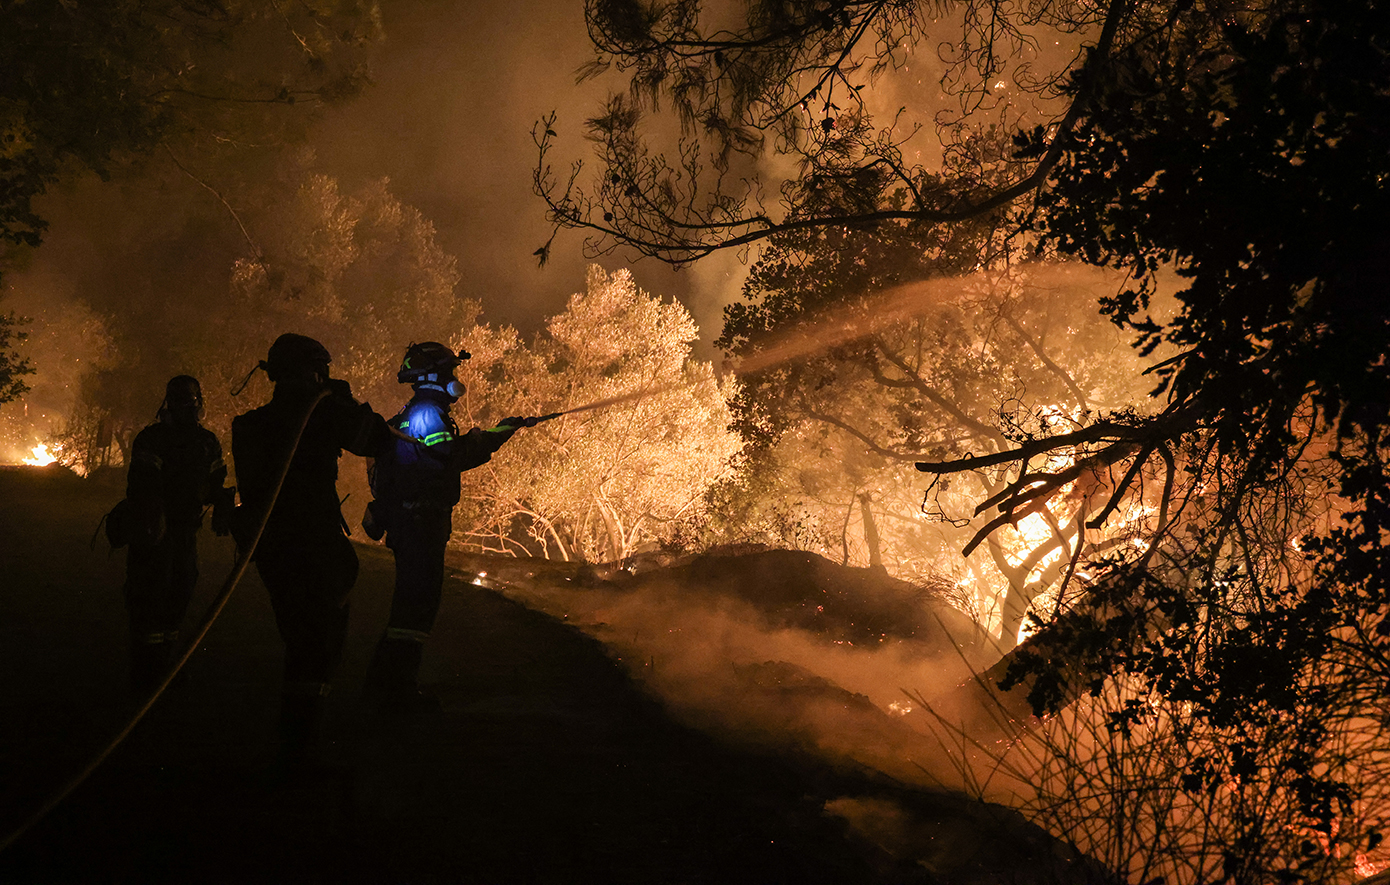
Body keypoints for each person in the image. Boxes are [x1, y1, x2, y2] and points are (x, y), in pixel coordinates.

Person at [231, 333, 392, 774]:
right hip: (311, 541)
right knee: (316, 642)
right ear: (312, 371)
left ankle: (298, 738)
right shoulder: (317, 414)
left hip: (270, 546)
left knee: (303, 639)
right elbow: (375, 437)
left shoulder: (252, 424)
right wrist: (344, 399)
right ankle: (298, 749)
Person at [362, 341, 531, 706]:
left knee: (411, 607)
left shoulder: (418, 411)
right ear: (435, 376)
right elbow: (450, 457)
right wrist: (497, 435)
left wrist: (496, 434)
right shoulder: (427, 412)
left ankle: (387, 686)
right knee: (415, 608)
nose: (455, 379)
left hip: (414, 521)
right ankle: (393, 692)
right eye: (451, 371)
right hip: (419, 523)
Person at [123, 374, 234, 694]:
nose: (190, 407)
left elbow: (215, 484)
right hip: (154, 533)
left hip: (185, 533)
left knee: (180, 593)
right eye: (183, 401)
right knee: (149, 600)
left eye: (193, 400)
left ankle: (166, 667)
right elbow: (144, 485)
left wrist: (225, 506)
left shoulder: (207, 443)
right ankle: (146, 673)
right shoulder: (153, 439)